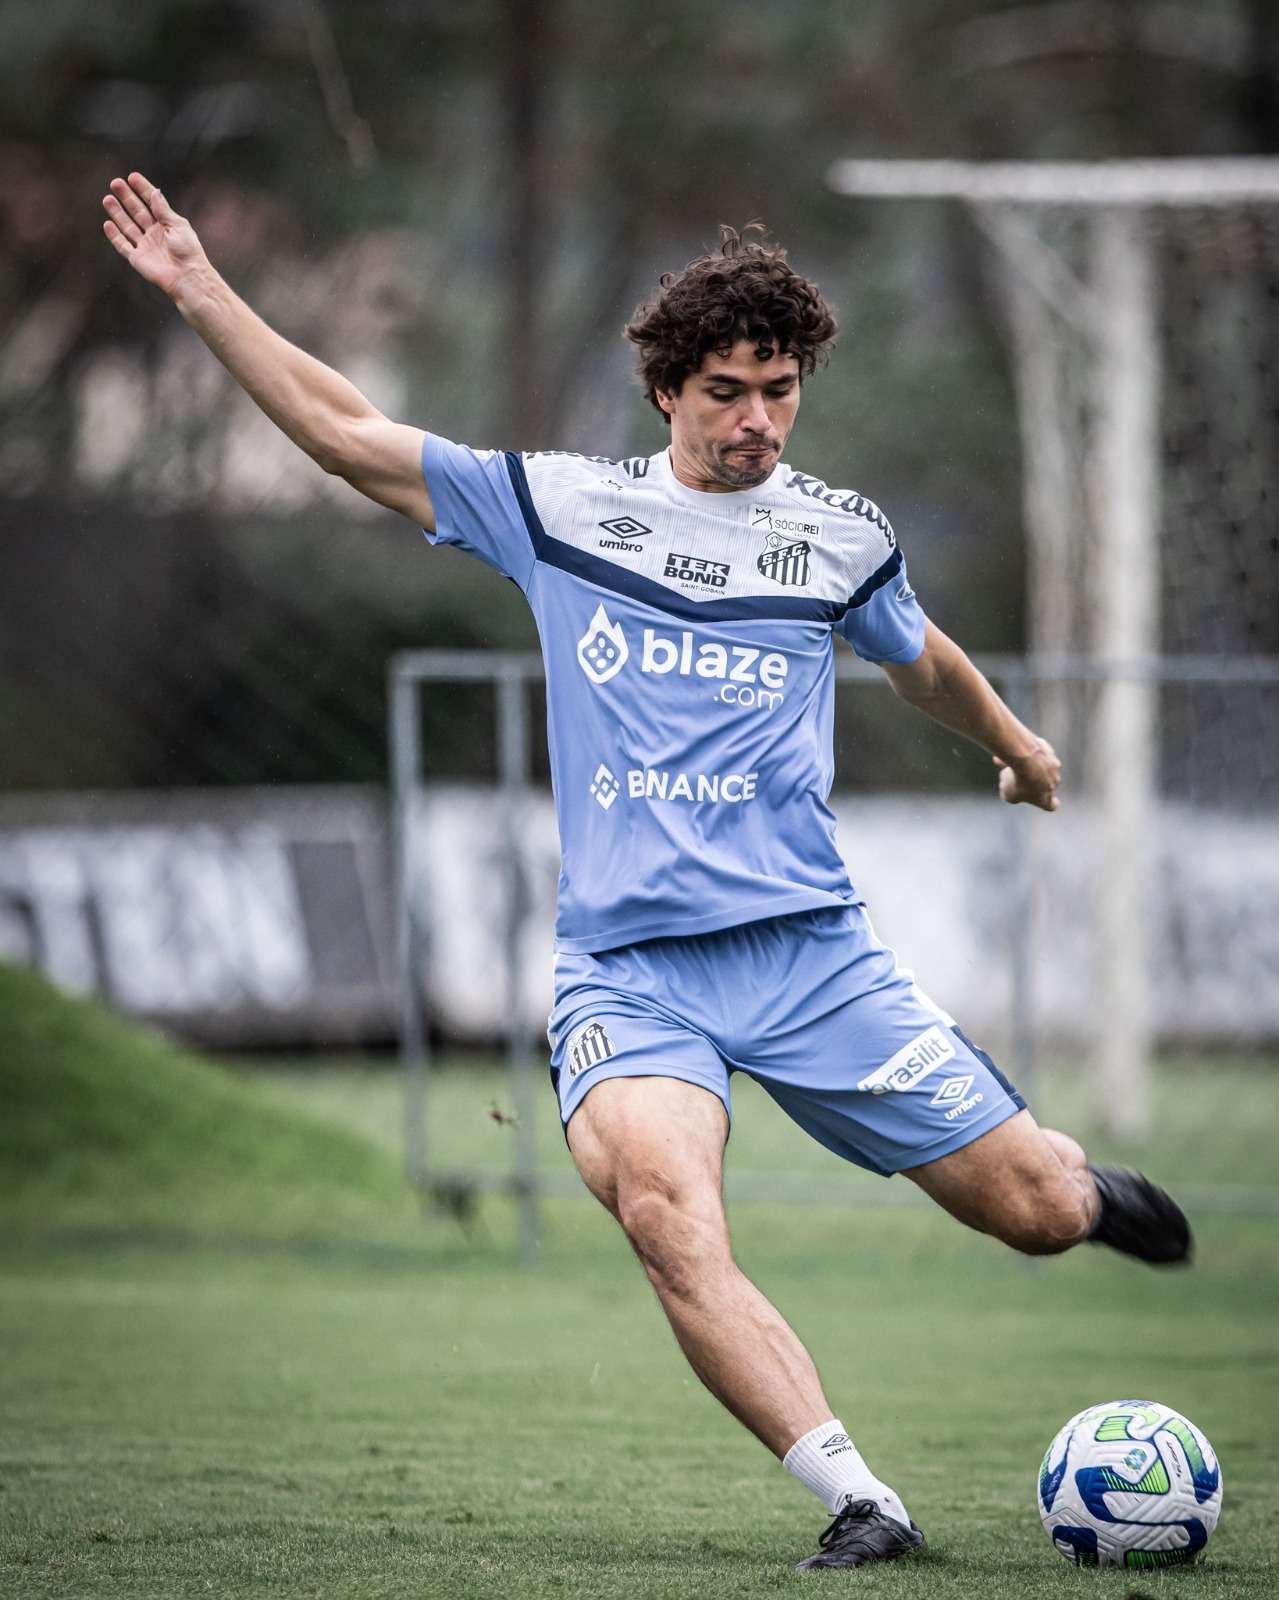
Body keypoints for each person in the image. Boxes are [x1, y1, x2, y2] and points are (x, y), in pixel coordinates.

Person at [103, 173, 1192, 1571]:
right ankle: (868, 1504)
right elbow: (347, 432)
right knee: (670, 1215)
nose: (758, 421)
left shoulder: (841, 535)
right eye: (729, 390)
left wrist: (1020, 746)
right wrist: (202, 285)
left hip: (811, 954)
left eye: (781, 391)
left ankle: (1087, 1193)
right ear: (667, 389)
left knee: (1032, 1212)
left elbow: (920, 660)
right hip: (630, 972)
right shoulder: (560, 510)